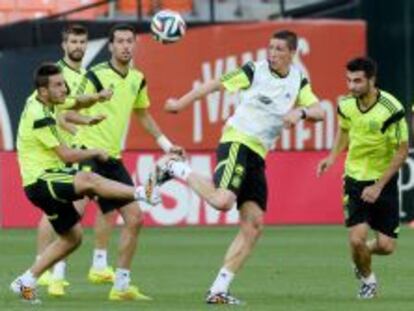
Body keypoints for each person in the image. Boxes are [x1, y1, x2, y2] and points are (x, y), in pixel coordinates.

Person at [159, 30, 325, 304]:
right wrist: (180, 103)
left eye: (279, 49)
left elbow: (318, 110)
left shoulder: (298, 80)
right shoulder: (254, 70)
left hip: (258, 154)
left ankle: (218, 290)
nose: (272, 53)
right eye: (270, 48)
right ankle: (175, 168)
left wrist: (301, 112)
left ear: (292, 53)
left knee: (254, 225)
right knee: (223, 201)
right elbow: (214, 85)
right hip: (238, 140)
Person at [9, 63, 158, 303]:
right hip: (41, 180)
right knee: (89, 179)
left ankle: (26, 281)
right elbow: (66, 155)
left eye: (63, 83)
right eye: (57, 85)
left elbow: (76, 101)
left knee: (73, 238)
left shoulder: (48, 100)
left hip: (46, 181)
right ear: (43, 91)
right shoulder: (38, 116)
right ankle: (142, 192)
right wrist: (96, 152)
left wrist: (97, 97)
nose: (64, 88)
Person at [74, 23, 182, 301]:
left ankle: (120, 286)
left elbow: (143, 115)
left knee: (135, 218)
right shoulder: (96, 75)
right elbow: (74, 105)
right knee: (71, 216)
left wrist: (167, 145)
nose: (124, 46)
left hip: (112, 158)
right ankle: (39, 275)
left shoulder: (137, 79)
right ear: (110, 46)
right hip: (87, 152)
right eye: (119, 41)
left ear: (135, 45)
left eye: (129, 41)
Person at [317, 57, 409, 298]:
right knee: (356, 239)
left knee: (386, 247)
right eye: (348, 80)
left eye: (357, 81)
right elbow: (344, 131)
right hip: (355, 178)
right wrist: (331, 156)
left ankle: (362, 257)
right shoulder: (346, 105)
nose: (351, 86)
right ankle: (368, 282)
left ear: (371, 80)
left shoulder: (392, 109)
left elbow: (401, 150)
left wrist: (379, 186)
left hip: (383, 181)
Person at [34, 24, 115, 297]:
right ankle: (45, 267)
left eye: (82, 41)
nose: (78, 46)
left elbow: (71, 110)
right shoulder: (57, 75)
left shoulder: (83, 74)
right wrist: (78, 132)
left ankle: (51, 269)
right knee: (58, 211)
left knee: (68, 209)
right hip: (59, 150)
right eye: (73, 42)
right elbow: (58, 117)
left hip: (72, 147)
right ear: (64, 45)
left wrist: (88, 119)